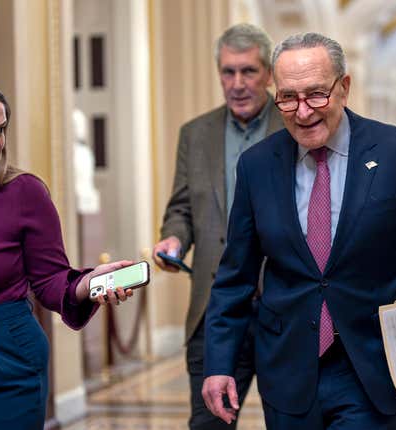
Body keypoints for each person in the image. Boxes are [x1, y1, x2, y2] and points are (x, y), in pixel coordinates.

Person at [201, 32, 396, 430]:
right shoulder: (257, 166)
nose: (303, 112)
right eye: (288, 97)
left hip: (376, 368)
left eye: (316, 95)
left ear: (344, 87)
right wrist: (218, 365)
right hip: (288, 370)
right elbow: (235, 277)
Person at [151, 23, 284, 429]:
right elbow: (181, 208)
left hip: (285, 310)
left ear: (269, 74)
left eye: (248, 71)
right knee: (207, 424)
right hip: (215, 311)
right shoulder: (196, 133)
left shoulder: (295, 126)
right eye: (228, 72)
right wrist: (174, 238)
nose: (237, 83)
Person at [0, 80, 135, 428]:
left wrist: (88, 283)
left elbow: (51, 281)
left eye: (0, 131)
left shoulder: (24, 192)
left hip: (8, 360)